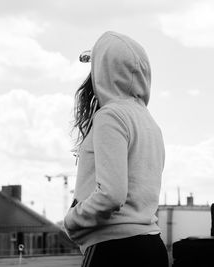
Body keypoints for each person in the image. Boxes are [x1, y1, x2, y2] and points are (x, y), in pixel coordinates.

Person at [64, 31, 169, 267]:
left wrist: (72, 220)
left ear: (105, 71)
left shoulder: (110, 116)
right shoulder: (150, 123)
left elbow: (111, 195)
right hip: (152, 248)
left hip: (114, 249)